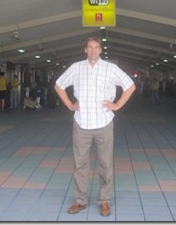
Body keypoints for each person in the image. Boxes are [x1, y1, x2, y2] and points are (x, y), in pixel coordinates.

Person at [54, 37, 136, 217]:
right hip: (81, 122)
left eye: (96, 47)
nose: (93, 50)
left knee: (106, 164)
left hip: (104, 123)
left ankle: (104, 201)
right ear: (85, 50)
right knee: (80, 164)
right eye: (89, 47)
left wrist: (117, 105)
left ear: (100, 50)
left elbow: (130, 86)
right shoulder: (76, 68)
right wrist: (69, 104)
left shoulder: (111, 69)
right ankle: (79, 201)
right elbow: (59, 85)